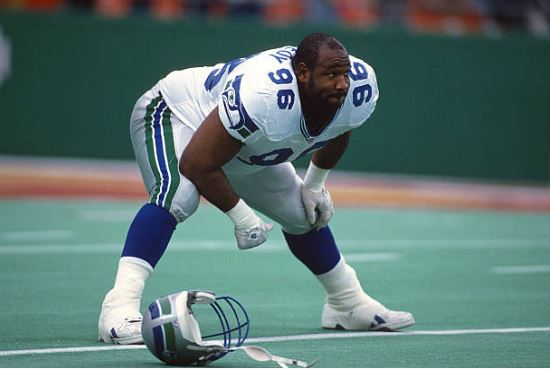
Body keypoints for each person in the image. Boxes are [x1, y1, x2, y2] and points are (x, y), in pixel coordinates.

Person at [98, 32, 415, 345]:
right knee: (178, 195)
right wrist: (242, 217)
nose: (341, 84)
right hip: (178, 114)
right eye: (331, 74)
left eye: (343, 74)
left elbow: (342, 125)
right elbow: (196, 162)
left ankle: (347, 303)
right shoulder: (265, 95)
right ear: (302, 73)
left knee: (303, 212)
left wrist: (314, 185)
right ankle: (118, 309)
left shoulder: (358, 85)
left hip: (239, 142)